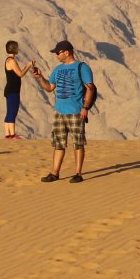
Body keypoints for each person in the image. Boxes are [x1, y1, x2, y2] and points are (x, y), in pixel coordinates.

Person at [32, 40, 97, 183]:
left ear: (67, 52)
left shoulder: (82, 67)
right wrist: (39, 77)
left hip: (76, 112)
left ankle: (78, 173)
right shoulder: (57, 69)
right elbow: (49, 87)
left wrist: (85, 108)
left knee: (78, 143)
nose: (56, 55)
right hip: (59, 112)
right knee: (58, 143)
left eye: (58, 53)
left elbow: (90, 88)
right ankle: (55, 173)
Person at [3, 40, 34, 140]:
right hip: (13, 90)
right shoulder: (11, 61)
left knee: (9, 112)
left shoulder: (8, 60)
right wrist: (28, 65)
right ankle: (12, 135)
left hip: (10, 90)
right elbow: (20, 74)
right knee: (13, 112)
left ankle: (8, 134)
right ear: (14, 49)